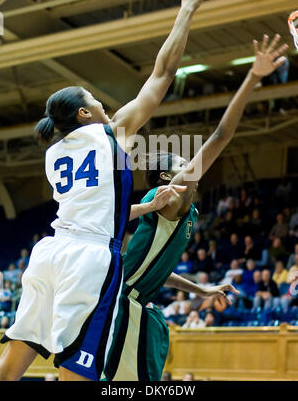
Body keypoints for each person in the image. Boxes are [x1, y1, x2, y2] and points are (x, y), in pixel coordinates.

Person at [0, 0, 218, 383]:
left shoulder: (53, 153)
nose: (102, 103)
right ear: (85, 113)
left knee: (9, 369)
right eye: (95, 99)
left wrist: (140, 207)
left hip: (50, 252)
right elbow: (162, 74)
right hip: (89, 260)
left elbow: (91, 209)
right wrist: (186, 10)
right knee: (78, 370)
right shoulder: (109, 133)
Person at [103, 33, 288, 381]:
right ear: (164, 176)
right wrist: (253, 77)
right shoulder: (169, 196)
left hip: (137, 304)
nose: (190, 164)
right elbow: (220, 135)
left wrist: (200, 289)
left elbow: (157, 268)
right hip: (126, 305)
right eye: (181, 161)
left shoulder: (185, 212)